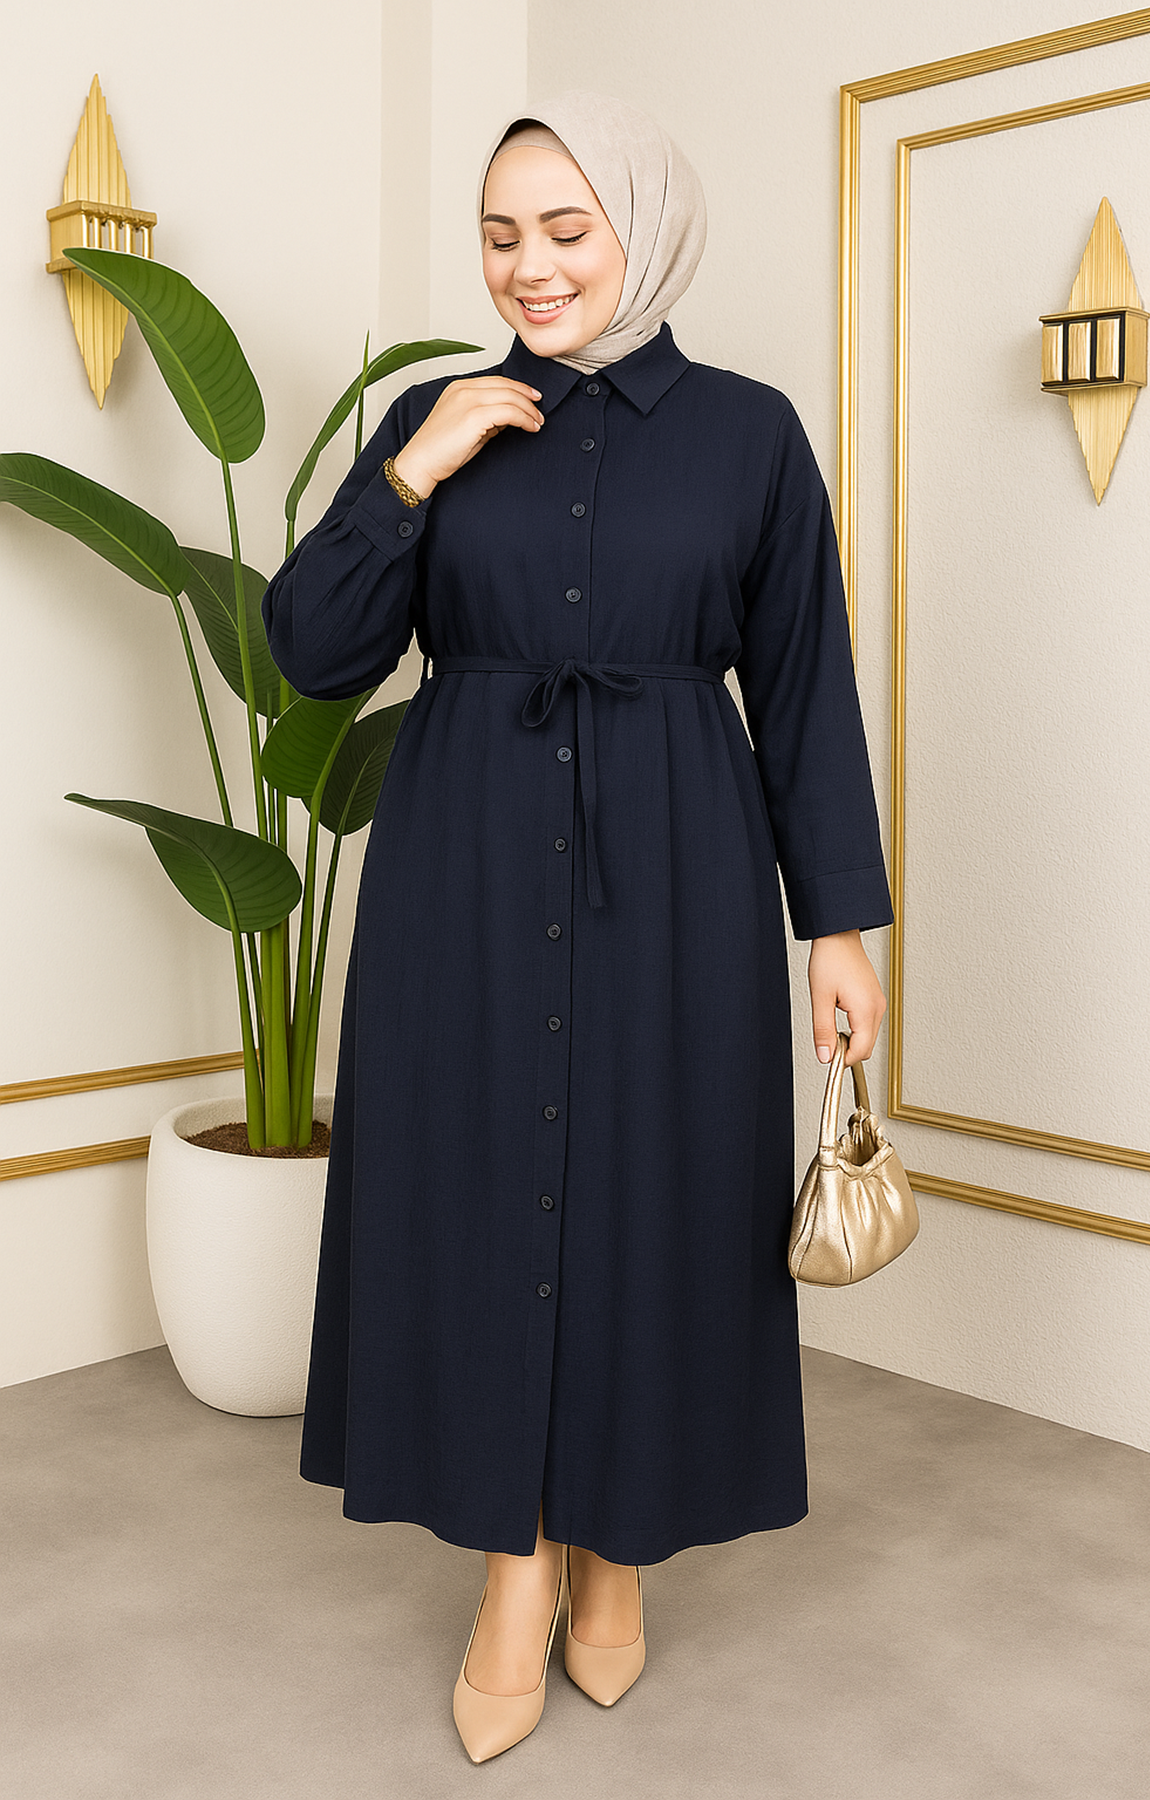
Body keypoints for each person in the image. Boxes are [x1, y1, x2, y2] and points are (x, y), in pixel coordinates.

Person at [260, 90, 892, 1765]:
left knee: (658, 1200)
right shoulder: (433, 417)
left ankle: (618, 1559)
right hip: (461, 869)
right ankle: (514, 1579)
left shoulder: (751, 434)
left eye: (564, 229)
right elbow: (308, 654)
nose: (528, 268)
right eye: (499, 236)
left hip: (681, 866)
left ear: (643, 228)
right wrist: (413, 473)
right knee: (477, 1200)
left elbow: (806, 689)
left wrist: (839, 927)